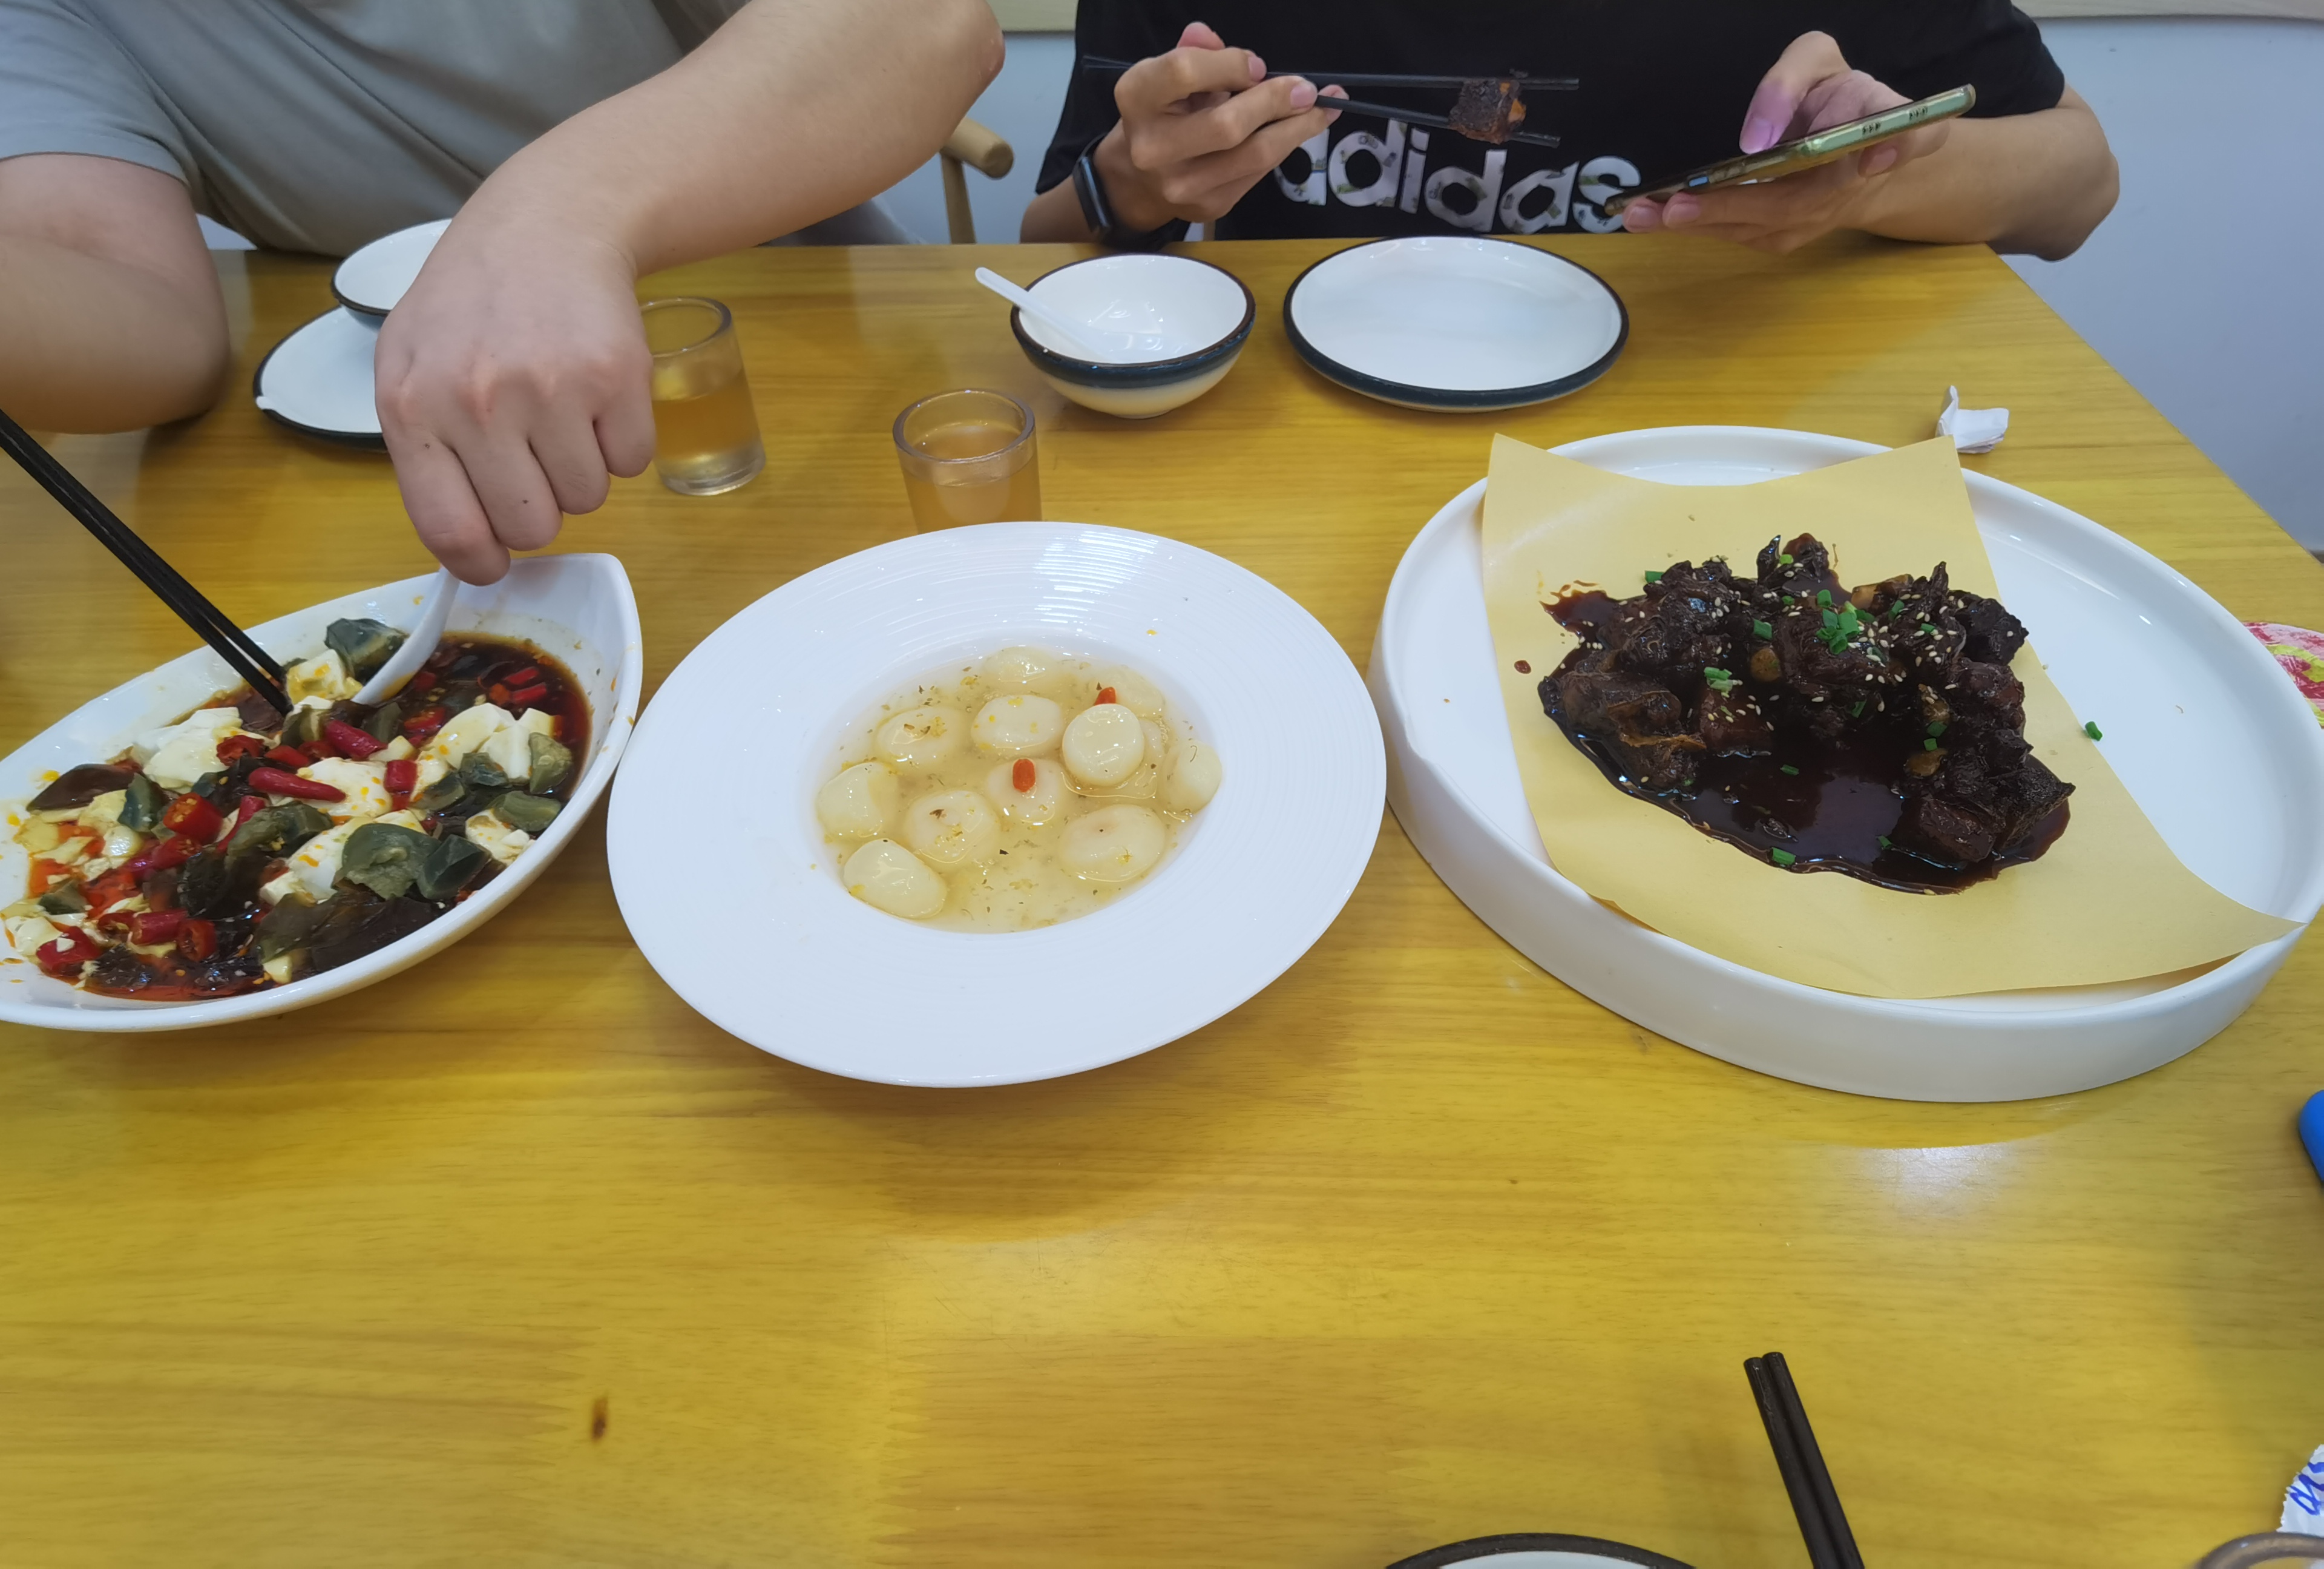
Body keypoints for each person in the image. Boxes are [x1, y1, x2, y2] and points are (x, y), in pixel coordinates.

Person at [0, 0, 1003, 582]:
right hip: (400, 487)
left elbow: (928, 25)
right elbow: (154, 336)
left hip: (799, 386)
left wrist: (563, 209)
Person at [1023, 5, 2117, 263]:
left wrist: (1867, 178)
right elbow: (1043, 244)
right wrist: (1136, 189)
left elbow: (2079, 191)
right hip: (1301, 434)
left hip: (1707, 443)